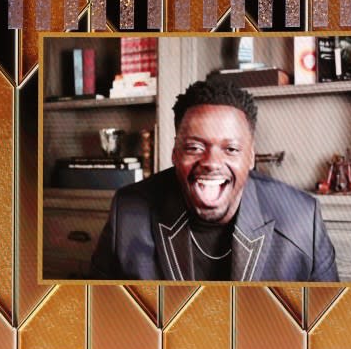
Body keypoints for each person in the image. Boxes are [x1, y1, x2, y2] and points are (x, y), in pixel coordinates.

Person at [91, 79, 338, 282]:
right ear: (175, 154)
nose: (211, 162)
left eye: (230, 149)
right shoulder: (128, 212)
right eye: (195, 147)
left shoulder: (301, 219)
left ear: (250, 157)